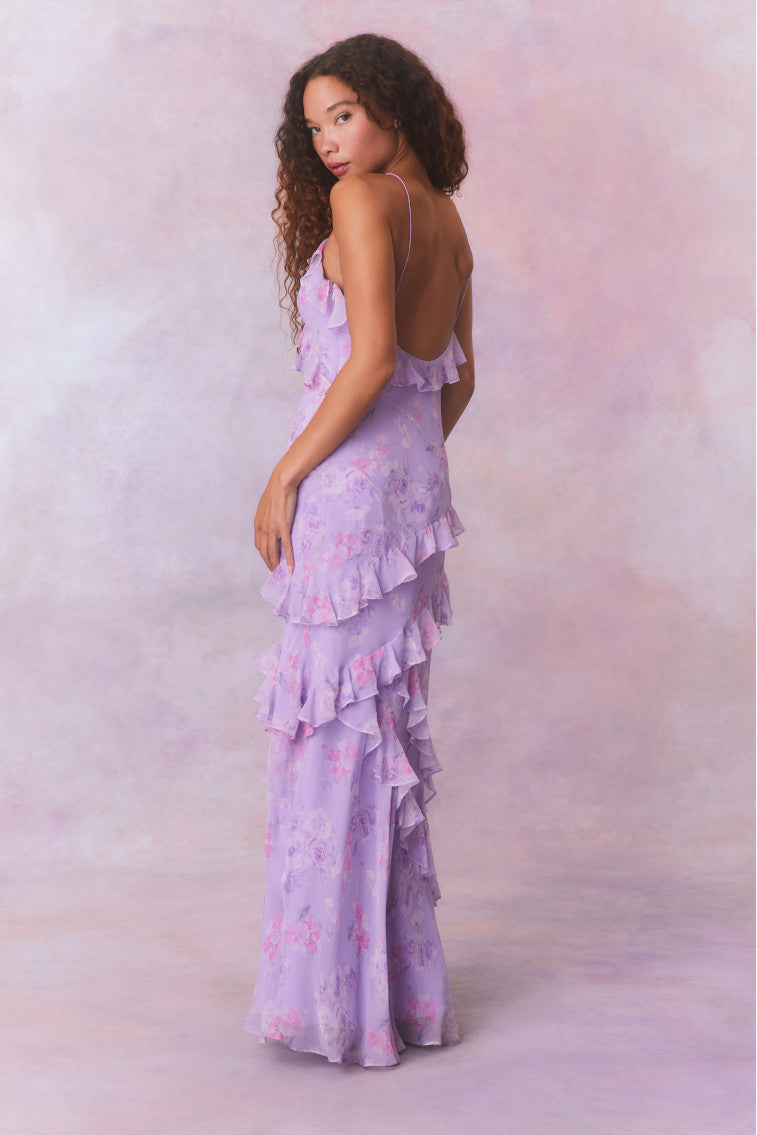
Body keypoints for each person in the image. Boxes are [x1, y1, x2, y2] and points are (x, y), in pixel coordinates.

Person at [244, 32, 475, 1068]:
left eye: (342, 114)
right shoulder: (448, 219)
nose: (328, 143)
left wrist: (287, 473)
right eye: (314, 127)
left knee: (336, 735)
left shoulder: (364, 200)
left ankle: (331, 1003)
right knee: (373, 734)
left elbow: (373, 357)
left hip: (345, 504)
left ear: (391, 103)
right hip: (407, 506)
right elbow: (456, 380)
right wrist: (401, 469)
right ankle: (395, 998)